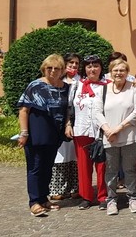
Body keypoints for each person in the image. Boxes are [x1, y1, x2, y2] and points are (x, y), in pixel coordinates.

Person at [18, 54, 70, 216]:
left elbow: (68, 110)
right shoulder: (35, 86)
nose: (53, 71)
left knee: (48, 167)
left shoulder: (65, 87)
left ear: (62, 70)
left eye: (57, 68)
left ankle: (43, 198)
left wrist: (68, 124)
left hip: (55, 133)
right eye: (49, 68)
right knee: (35, 167)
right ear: (44, 69)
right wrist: (24, 132)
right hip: (36, 132)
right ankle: (34, 202)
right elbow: (24, 110)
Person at [93, 59, 136, 215]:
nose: (119, 73)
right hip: (110, 137)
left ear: (127, 72)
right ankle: (111, 200)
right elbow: (96, 112)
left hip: (130, 136)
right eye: (116, 70)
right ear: (110, 72)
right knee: (111, 170)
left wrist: (118, 128)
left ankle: (133, 198)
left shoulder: (134, 89)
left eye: (122, 70)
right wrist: (108, 130)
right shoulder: (103, 90)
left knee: (130, 169)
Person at [66, 54, 109, 210]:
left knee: (102, 165)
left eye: (96, 65)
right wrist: (68, 123)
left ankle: (103, 196)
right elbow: (69, 106)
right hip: (81, 130)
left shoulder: (108, 85)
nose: (93, 69)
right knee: (84, 166)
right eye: (89, 66)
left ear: (101, 68)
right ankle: (86, 196)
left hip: (102, 131)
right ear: (84, 69)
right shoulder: (76, 86)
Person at [48, 53, 79, 201]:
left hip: (77, 122)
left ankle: (74, 187)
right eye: (70, 63)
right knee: (60, 155)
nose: (73, 66)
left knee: (74, 155)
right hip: (60, 122)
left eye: (76, 63)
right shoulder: (58, 81)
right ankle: (57, 188)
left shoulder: (82, 82)